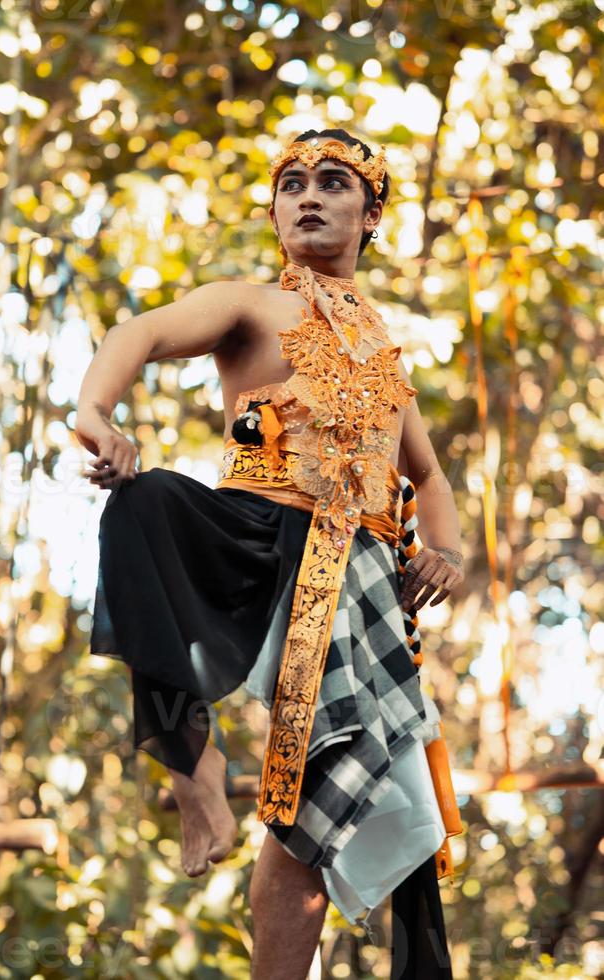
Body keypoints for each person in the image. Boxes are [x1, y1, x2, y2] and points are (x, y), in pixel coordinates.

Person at [76, 128, 465, 979]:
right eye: (292, 184)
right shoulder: (251, 303)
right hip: (255, 541)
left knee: (317, 805)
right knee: (140, 504)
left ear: (371, 217)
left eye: (333, 183)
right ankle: (193, 771)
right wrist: (98, 413)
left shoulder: (386, 357)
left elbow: (428, 474)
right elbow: (137, 333)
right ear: (275, 212)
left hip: (357, 579)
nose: (309, 196)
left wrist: (445, 548)